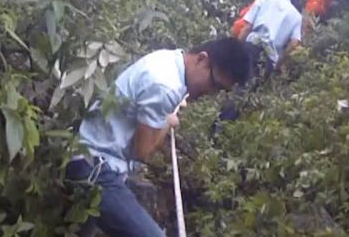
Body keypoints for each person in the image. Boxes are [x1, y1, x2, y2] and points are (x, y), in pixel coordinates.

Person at [65, 38, 251, 237]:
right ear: (201, 59)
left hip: (95, 157)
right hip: (93, 167)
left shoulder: (169, 60)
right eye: (214, 84)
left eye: (220, 90)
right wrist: (168, 121)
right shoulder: (166, 86)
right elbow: (142, 152)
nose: (212, 93)